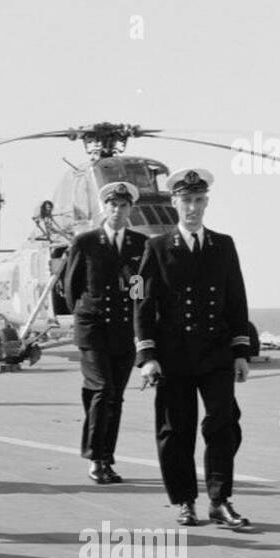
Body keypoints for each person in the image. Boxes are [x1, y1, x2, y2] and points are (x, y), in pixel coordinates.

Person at [135, 168, 252, 529]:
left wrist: (241, 351)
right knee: (176, 430)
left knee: (223, 425)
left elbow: (236, 300)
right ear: (174, 203)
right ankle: (185, 501)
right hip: (172, 356)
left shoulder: (223, 245)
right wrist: (147, 356)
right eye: (186, 201)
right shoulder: (155, 247)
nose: (193, 208)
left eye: (199, 200)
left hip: (215, 353)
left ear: (206, 203)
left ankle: (220, 501)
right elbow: (140, 302)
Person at [61, 182, 148, 483]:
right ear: (104, 207)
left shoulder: (140, 245)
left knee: (114, 398)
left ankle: (107, 457)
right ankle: (96, 458)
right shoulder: (86, 242)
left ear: (130, 209)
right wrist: (87, 313)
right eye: (113, 205)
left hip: (123, 331)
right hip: (93, 330)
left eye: (124, 206)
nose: (118, 210)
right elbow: (71, 289)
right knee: (103, 390)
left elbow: (139, 288)